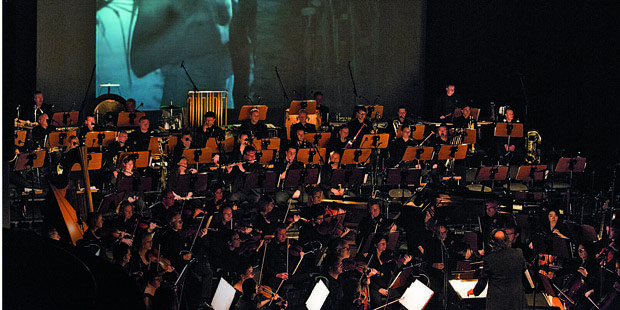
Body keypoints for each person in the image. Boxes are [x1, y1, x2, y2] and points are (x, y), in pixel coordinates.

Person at [468, 229, 526, 310]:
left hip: (497, 303)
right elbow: (523, 269)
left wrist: (475, 292)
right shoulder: (519, 253)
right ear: (507, 240)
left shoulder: (489, 259)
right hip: (516, 301)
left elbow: (482, 282)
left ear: (493, 243)